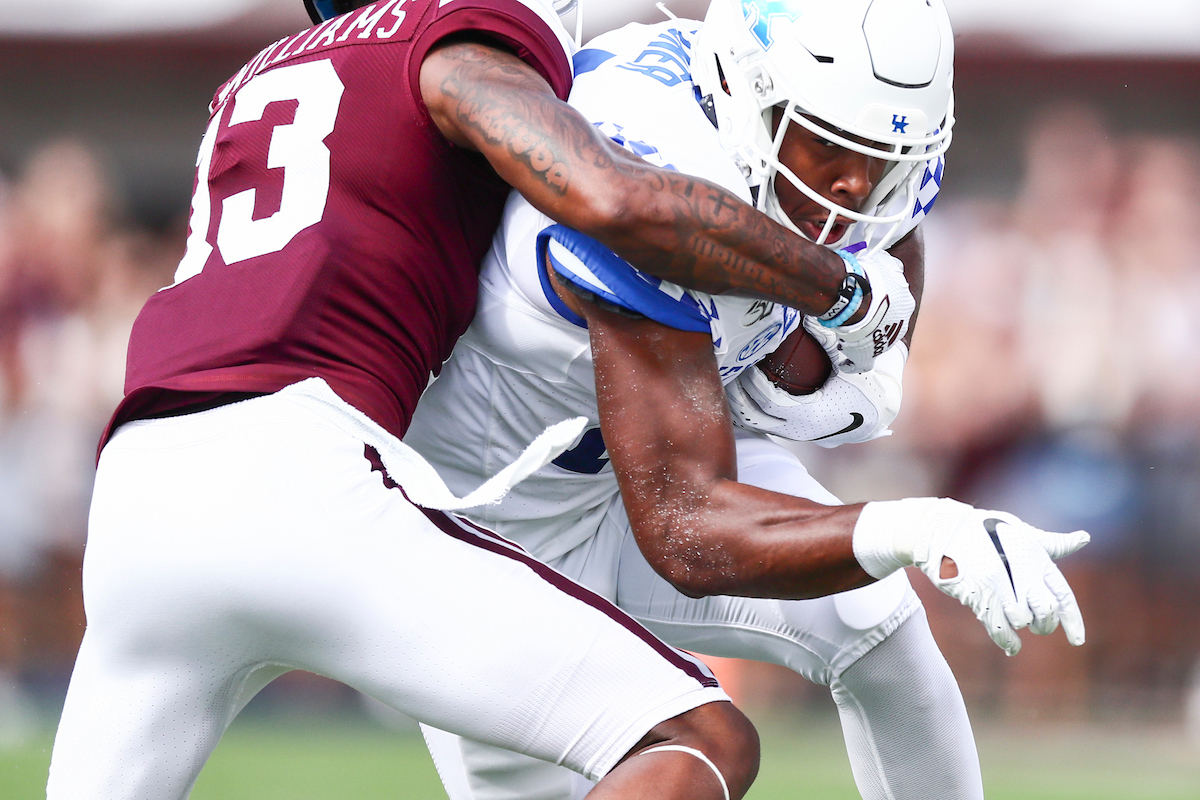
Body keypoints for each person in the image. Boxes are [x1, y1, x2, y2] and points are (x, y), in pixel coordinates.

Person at [43, 0, 924, 796]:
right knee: (695, 736)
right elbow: (611, 198)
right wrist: (840, 287)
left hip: (137, 493)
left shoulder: (251, 83)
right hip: (306, 470)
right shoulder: (459, 35)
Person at [405, 1, 1089, 799]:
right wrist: (913, 522)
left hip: (655, 456)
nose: (854, 186)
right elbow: (688, 534)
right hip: (503, 531)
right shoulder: (648, 154)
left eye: (885, 157)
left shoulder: (831, 152)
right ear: (749, 92)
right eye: (833, 144)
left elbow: (863, 390)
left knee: (879, 621)